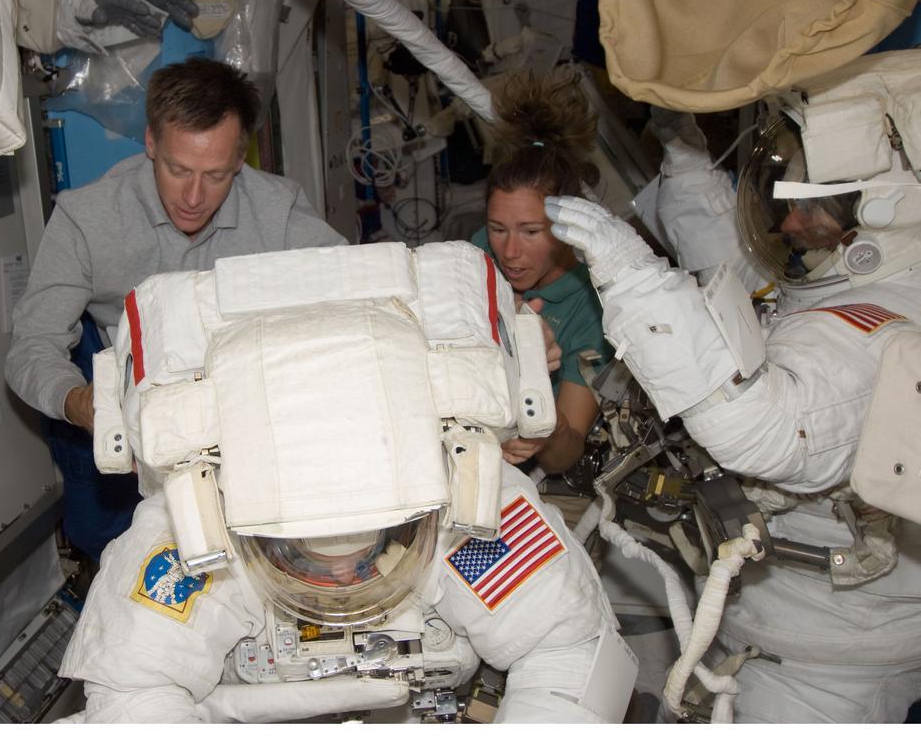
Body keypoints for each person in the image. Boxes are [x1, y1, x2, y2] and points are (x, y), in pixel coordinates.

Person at [59, 241, 636, 723]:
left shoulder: (466, 497)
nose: (340, 575)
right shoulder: (193, 528)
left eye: (371, 550)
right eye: (307, 556)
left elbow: (565, 645)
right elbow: (133, 693)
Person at [543, 49, 921, 723]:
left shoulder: (885, 329)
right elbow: (737, 282)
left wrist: (633, 278)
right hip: (759, 628)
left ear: (889, 210)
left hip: (824, 670)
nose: (787, 225)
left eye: (816, 209)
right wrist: (683, 149)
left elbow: (765, 430)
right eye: (785, 201)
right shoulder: (838, 283)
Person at [4, 58, 344, 562]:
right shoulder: (87, 219)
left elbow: (356, 291)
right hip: (122, 385)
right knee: (114, 543)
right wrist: (80, 402)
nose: (192, 196)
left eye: (216, 176)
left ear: (241, 159)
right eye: (177, 169)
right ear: (150, 143)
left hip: (235, 379)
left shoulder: (278, 211)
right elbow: (31, 346)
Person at [470, 68, 613, 474]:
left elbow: (563, 457)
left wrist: (539, 424)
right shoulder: (482, 247)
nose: (510, 251)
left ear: (567, 227)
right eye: (499, 228)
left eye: (531, 231)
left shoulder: (592, 307)